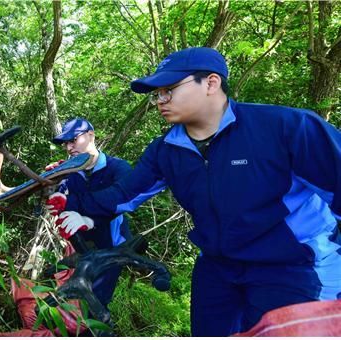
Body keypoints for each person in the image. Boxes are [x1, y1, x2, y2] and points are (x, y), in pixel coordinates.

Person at [46, 47, 341, 336]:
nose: (160, 100)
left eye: (169, 89)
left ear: (211, 83)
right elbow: (125, 194)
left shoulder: (285, 128)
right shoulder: (167, 150)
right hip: (218, 267)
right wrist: (73, 203)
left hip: (294, 265)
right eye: (156, 93)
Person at [45, 118, 133, 311]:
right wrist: (53, 187)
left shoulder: (118, 168)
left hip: (111, 246)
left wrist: (90, 219)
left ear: (91, 135)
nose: (69, 148)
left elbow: (122, 201)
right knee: (75, 300)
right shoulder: (71, 172)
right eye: (66, 143)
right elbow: (61, 199)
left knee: (96, 301)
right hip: (82, 247)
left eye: (73, 140)